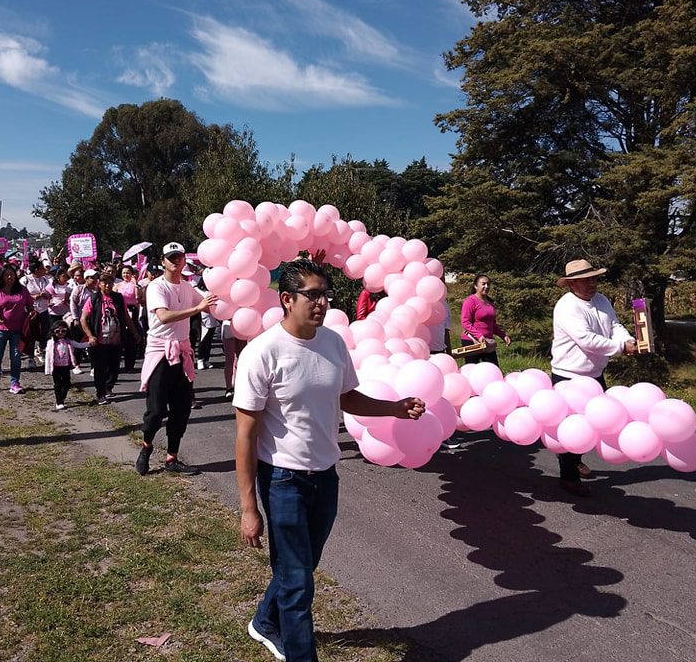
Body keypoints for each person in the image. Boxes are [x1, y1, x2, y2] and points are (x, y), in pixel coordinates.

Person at [233, 259, 425, 662]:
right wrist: (249, 508)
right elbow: (245, 436)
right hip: (283, 479)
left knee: (299, 566)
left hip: (325, 476)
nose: (322, 303)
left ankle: (265, 621)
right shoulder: (262, 353)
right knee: (299, 580)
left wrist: (393, 408)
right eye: (313, 295)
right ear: (287, 299)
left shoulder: (333, 343)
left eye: (325, 294)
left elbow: (346, 396)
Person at [551, 259, 637, 496]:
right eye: (585, 280)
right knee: (573, 429)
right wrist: (621, 349)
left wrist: (627, 339)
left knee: (593, 425)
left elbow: (615, 326)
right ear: (572, 284)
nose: (591, 284)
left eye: (594, 278)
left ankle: (574, 458)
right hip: (570, 377)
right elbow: (586, 339)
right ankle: (568, 477)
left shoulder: (602, 301)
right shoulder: (567, 306)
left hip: (595, 375)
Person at [136, 242, 218, 476]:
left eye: (179, 257)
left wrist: (222, 298)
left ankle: (172, 458)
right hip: (161, 352)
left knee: (181, 409)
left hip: (182, 352)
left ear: (184, 260)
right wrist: (198, 308)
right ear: (163, 261)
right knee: (156, 411)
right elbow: (163, 317)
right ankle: (146, 446)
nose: (175, 261)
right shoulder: (156, 287)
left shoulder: (187, 286)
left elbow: (208, 303)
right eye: (171, 257)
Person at [80, 272, 139, 404]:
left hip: (116, 339)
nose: (107, 286)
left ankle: (108, 387)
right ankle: (100, 393)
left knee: (114, 367)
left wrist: (134, 332)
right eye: (104, 283)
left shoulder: (118, 298)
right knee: (100, 367)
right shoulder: (94, 298)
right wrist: (90, 336)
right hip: (99, 340)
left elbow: (126, 316)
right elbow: (83, 319)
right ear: (99, 284)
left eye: (110, 283)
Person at [0, 264, 35, 394]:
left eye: (12, 274)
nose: (10, 277)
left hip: (18, 330)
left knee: (16, 357)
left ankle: (15, 382)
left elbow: (30, 306)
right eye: (7, 274)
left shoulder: (22, 290)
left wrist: (31, 312)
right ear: (2, 276)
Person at [460, 273, 511, 366]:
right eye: (483, 284)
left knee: (493, 368)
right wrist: (479, 336)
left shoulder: (490, 303)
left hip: (487, 342)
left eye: (488, 284)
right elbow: (465, 322)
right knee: (472, 371)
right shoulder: (470, 301)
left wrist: (503, 336)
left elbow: (493, 324)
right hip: (472, 342)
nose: (486, 286)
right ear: (476, 286)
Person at [44, 320, 91, 410]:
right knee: (57, 384)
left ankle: (62, 397)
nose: (60, 333)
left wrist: (89, 344)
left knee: (66, 384)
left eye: (63, 331)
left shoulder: (68, 341)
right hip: (56, 367)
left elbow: (79, 345)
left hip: (66, 366)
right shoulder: (51, 342)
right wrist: (48, 369)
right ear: (53, 332)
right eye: (57, 331)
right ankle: (59, 401)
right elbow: (48, 357)